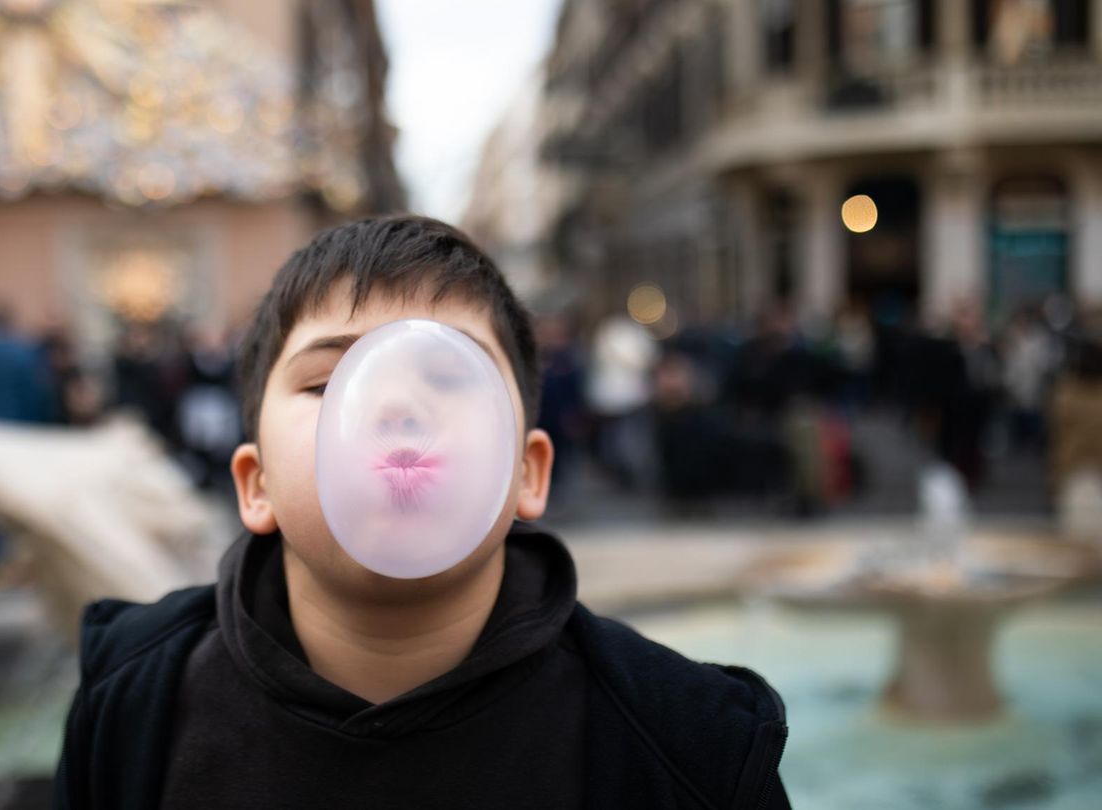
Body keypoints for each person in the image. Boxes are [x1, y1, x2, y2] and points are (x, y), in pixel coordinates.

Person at [51, 216, 790, 809]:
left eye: (449, 373)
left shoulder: (690, 745)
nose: (392, 404)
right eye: (328, 379)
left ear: (528, 471)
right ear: (256, 484)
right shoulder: (132, 703)